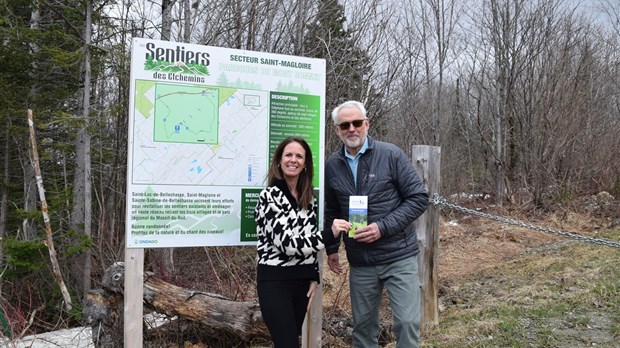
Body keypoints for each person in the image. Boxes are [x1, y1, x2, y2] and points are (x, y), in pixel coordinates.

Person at [324, 100, 429, 348]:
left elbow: (418, 198)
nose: (352, 129)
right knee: (363, 329)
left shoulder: (391, 154)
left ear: (367, 124)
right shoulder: (332, 165)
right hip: (361, 260)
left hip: (398, 255)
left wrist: (383, 227)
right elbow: (331, 210)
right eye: (344, 125)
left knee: (406, 323)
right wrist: (331, 249)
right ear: (337, 130)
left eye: (357, 123)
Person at [255, 136, 350, 348]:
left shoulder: (309, 199)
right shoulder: (269, 197)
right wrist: (330, 234)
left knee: (291, 341)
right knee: (287, 344)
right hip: (274, 282)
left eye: (299, 156)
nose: (293, 160)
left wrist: (313, 276)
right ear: (279, 160)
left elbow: (309, 239)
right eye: (288, 155)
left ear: (305, 163)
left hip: (302, 283)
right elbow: (288, 245)